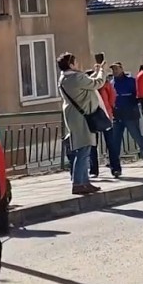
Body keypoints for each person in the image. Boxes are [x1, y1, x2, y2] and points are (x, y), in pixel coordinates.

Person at [58, 52, 106, 195]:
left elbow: (86, 83)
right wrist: (102, 71)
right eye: (76, 62)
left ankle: (84, 182)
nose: (78, 64)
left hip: (73, 115)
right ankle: (78, 183)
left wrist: (95, 72)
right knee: (84, 150)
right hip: (82, 116)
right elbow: (97, 83)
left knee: (82, 149)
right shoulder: (76, 77)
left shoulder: (64, 78)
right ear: (71, 64)